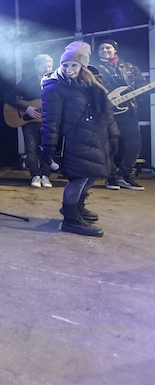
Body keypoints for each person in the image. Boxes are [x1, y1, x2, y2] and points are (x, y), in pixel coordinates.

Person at [40, 42, 120, 237]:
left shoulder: (92, 83)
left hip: (94, 139)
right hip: (73, 141)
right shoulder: (54, 87)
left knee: (93, 173)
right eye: (65, 65)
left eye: (74, 65)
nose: (69, 70)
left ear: (82, 66)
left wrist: (113, 134)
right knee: (79, 178)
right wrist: (48, 149)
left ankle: (77, 207)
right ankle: (70, 219)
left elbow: (106, 113)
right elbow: (50, 121)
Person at [96, 39, 148, 191]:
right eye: (101, 49)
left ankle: (124, 176)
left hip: (129, 111)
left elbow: (142, 85)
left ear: (115, 50)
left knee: (134, 144)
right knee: (110, 145)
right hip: (106, 112)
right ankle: (110, 177)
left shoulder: (130, 68)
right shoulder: (95, 69)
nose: (105, 50)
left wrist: (135, 95)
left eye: (108, 48)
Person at [3, 54, 54, 188]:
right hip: (29, 121)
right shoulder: (27, 81)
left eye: (50, 66)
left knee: (47, 149)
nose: (48, 69)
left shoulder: (55, 81)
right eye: (45, 66)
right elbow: (8, 97)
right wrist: (26, 108)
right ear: (37, 66)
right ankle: (35, 175)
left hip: (48, 121)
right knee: (31, 149)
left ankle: (45, 175)